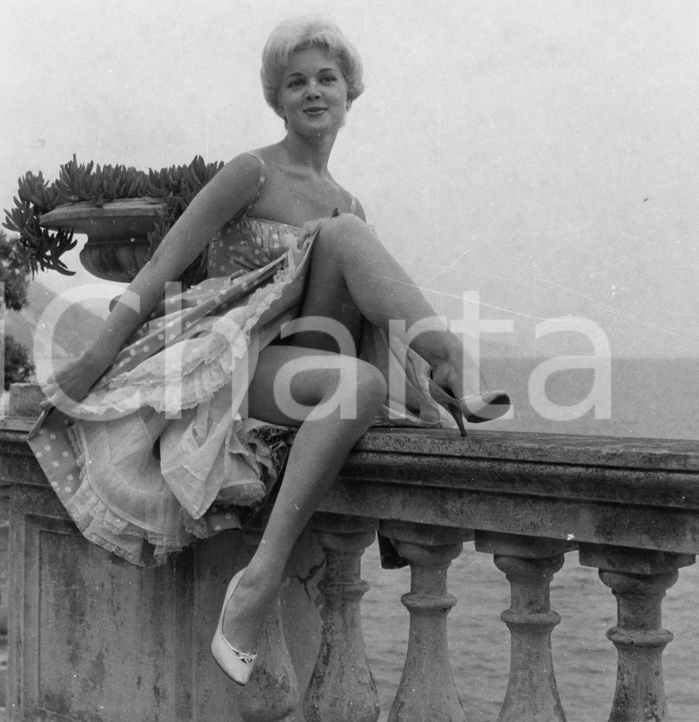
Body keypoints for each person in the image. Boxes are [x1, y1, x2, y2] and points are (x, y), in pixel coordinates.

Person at [33, 15, 509, 686]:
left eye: (326, 79)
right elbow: (158, 270)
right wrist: (91, 360)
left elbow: (369, 323)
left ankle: (444, 366)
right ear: (277, 98)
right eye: (296, 83)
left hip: (312, 359)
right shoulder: (250, 173)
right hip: (236, 360)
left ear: (350, 93)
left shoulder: (349, 203)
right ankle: (258, 582)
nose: (313, 92)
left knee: (354, 309)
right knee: (344, 251)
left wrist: (424, 406)